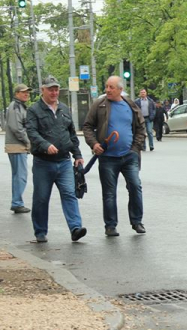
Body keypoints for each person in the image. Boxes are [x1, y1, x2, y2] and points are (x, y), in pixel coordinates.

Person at [83, 76, 147, 237]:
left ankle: (137, 221)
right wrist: (94, 144)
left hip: (129, 156)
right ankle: (110, 225)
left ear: (120, 89)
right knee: (109, 193)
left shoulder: (130, 105)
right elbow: (88, 126)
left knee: (135, 186)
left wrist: (135, 148)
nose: (107, 90)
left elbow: (141, 127)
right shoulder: (100, 104)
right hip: (107, 157)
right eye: (106, 87)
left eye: (111, 87)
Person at [26, 76, 87, 243]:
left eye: (56, 89)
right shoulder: (34, 110)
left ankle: (75, 228)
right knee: (41, 197)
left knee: (69, 194)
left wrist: (78, 155)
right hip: (43, 163)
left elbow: (71, 135)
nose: (54, 92)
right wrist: (45, 145)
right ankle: (40, 232)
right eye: (50, 89)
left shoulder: (64, 109)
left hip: (64, 162)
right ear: (42, 90)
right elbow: (31, 132)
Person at [5, 84, 33, 214]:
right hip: (17, 146)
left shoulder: (19, 106)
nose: (26, 94)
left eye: (27, 92)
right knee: (20, 176)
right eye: (23, 92)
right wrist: (28, 142)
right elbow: (17, 128)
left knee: (18, 175)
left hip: (17, 146)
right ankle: (17, 203)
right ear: (16, 94)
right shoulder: (15, 107)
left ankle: (17, 202)